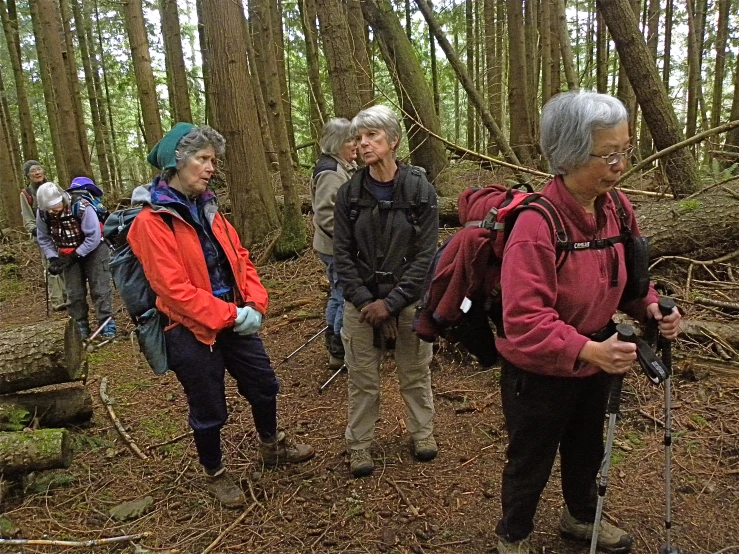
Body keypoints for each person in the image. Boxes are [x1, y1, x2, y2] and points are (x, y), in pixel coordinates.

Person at [493, 91, 682, 554]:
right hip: (538, 372)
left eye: (625, 150)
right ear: (571, 155)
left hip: (593, 361)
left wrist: (654, 307)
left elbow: (634, 284)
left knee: (587, 449)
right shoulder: (537, 226)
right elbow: (524, 319)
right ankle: (512, 536)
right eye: (610, 153)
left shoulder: (617, 208)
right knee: (530, 459)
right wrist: (588, 350)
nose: (622, 164)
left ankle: (580, 518)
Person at [126, 123, 315, 508]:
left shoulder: (211, 209)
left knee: (263, 384)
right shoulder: (151, 222)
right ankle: (214, 472)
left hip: (235, 317)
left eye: (213, 160)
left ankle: (271, 445)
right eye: (202, 159)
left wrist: (256, 303)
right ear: (176, 161)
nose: (211, 167)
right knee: (209, 406)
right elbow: (172, 289)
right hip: (189, 328)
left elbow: (242, 259)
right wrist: (230, 315)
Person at [333, 105, 439, 478]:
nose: (363, 144)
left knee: (415, 372)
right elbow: (341, 256)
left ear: (393, 140)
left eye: (372, 136)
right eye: (359, 138)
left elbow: (426, 255)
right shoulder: (349, 194)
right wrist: (366, 301)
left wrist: (393, 303)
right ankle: (359, 446)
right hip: (360, 305)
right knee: (363, 378)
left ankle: (423, 434)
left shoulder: (419, 190)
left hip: (410, 303)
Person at [36, 181, 116, 340]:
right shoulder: (43, 213)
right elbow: (43, 238)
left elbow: (93, 237)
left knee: (100, 288)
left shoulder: (82, 207)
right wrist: (53, 258)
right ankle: (80, 326)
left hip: (95, 249)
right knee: (74, 293)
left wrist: (75, 256)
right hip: (67, 251)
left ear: (62, 199)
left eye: (55, 206)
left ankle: (106, 324)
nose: (52, 211)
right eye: (49, 208)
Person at [310, 118, 358, 370]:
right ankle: (339, 349)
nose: (356, 145)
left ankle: (334, 344)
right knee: (343, 295)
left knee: (336, 293)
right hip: (334, 248)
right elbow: (327, 216)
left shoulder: (343, 166)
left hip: (332, 246)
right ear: (337, 143)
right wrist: (349, 243)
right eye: (350, 140)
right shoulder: (330, 172)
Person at [19, 160, 66, 311]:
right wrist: (38, 232)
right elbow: (28, 219)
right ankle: (57, 301)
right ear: (28, 175)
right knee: (51, 266)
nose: (37, 173)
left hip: (62, 232)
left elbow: (66, 203)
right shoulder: (26, 194)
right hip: (43, 235)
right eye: (33, 171)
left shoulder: (54, 187)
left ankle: (70, 297)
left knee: (65, 263)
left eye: (39, 169)